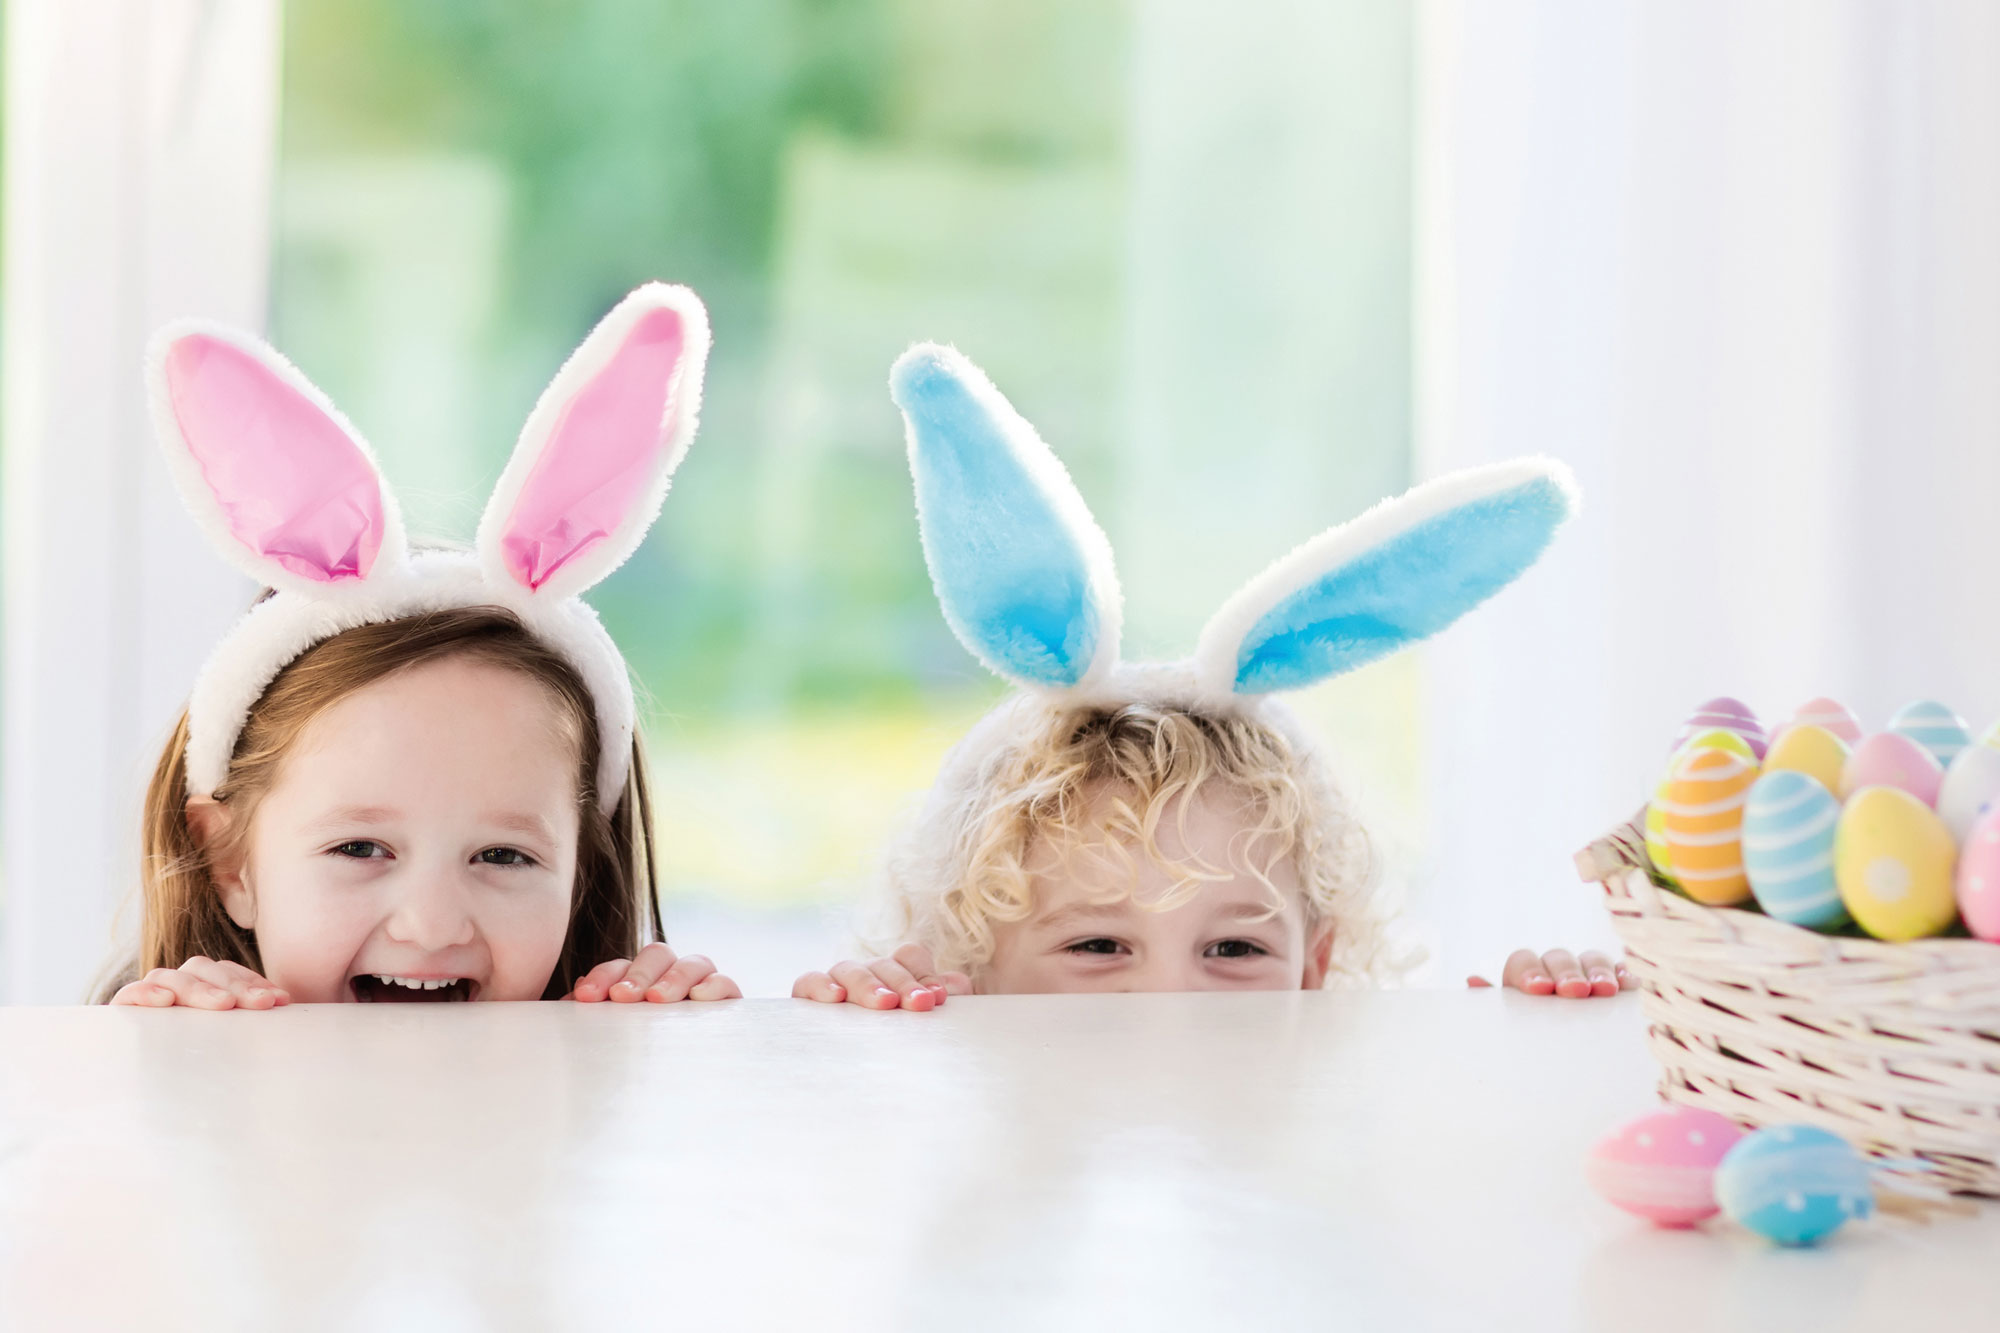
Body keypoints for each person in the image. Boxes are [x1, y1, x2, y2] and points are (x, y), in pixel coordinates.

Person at [794, 344, 1629, 1008]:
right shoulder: (958, 1092)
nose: (1171, 1002)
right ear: (966, 967)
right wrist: (867, 1044)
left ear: (1317, 965)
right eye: (1097, 945)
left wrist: (1534, 1043)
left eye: (1235, 948)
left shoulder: (1330, 1112)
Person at [102, 283, 737, 1008]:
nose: (431, 926)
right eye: (361, 848)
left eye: (503, 855)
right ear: (231, 864)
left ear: (581, 875)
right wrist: (157, 1091)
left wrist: (671, 1066)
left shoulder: (620, 1064)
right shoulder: (154, 1081)